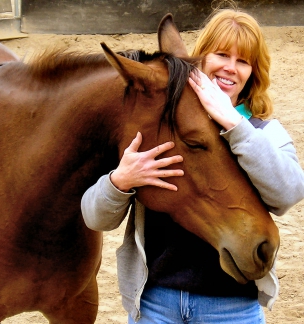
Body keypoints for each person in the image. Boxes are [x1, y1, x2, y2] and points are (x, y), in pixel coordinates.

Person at [81, 8, 304, 324]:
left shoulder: (262, 131)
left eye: (242, 61)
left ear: (253, 72)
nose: (230, 67)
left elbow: (289, 192)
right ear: (200, 59)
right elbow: (94, 216)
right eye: (222, 55)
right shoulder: (163, 123)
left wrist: (234, 125)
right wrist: (120, 180)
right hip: (156, 301)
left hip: (231, 308)